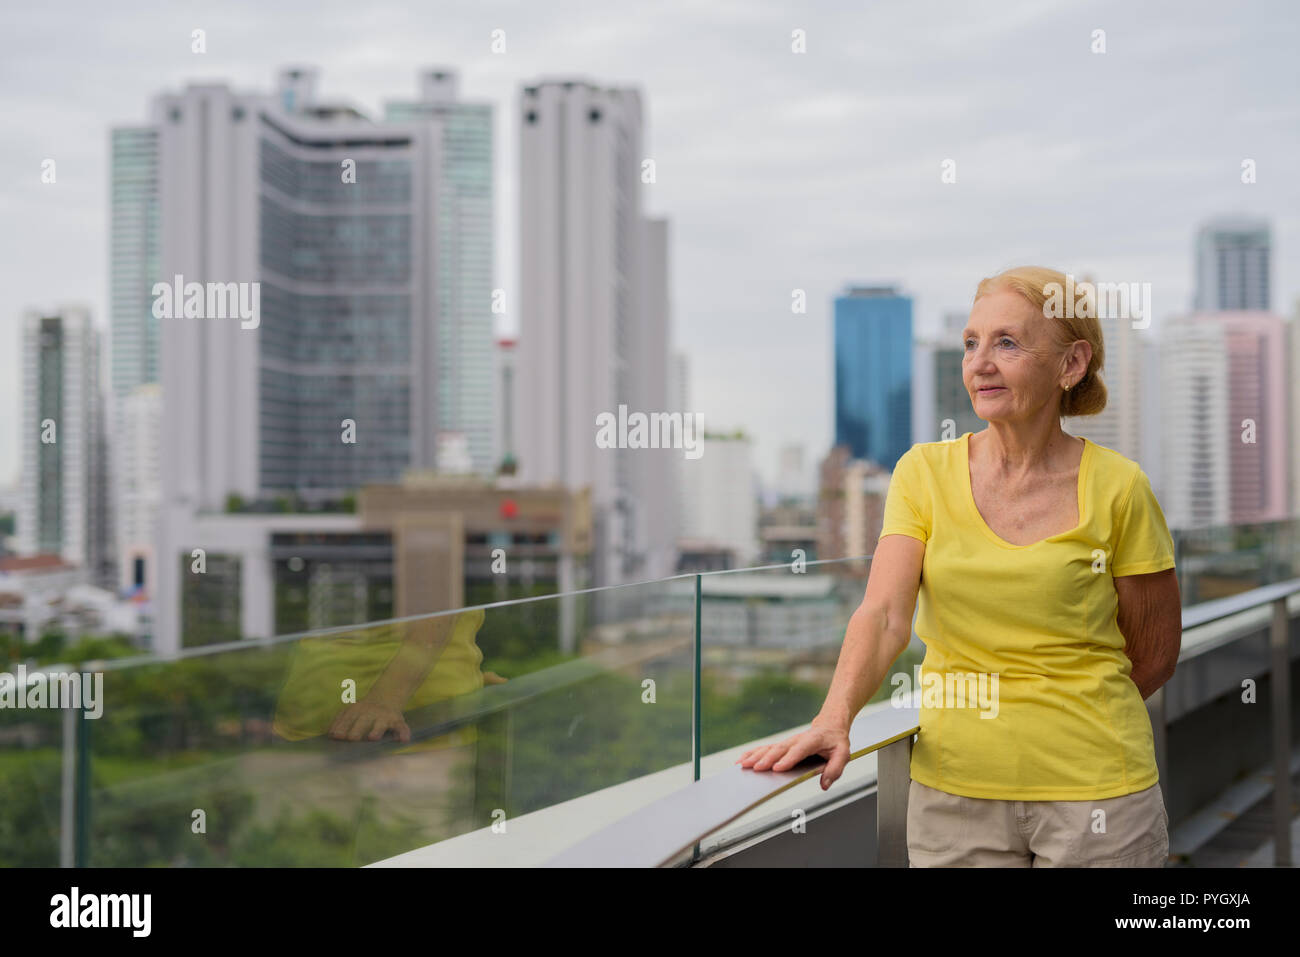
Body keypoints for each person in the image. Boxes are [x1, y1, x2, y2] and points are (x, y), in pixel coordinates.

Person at [738, 265, 1181, 867]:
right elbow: (885, 614)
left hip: (1099, 799)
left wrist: (1062, 719)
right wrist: (833, 717)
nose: (979, 362)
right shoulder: (922, 472)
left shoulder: (1121, 487)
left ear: (1071, 364)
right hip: (955, 798)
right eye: (971, 343)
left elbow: (1153, 651)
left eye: (1007, 342)